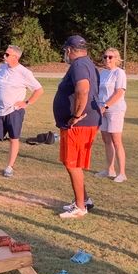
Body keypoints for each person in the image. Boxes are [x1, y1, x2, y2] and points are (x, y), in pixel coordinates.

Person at [0, 45, 44, 178]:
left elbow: (39, 90)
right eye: (5, 54)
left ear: (16, 57)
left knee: (13, 139)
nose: (4, 56)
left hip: (14, 112)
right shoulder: (1, 68)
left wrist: (26, 103)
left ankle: (9, 167)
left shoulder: (24, 73)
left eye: (7, 54)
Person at [53, 35, 101, 218]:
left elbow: (83, 88)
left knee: (73, 163)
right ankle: (84, 199)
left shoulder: (79, 65)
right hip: (83, 123)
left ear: (69, 50)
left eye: (66, 50)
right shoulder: (87, 63)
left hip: (80, 124)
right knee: (71, 163)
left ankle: (80, 207)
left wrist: (76, 115)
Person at [95, 48, 128, 182]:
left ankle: (122, 173)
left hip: (115, 109)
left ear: (116, 59)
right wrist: (99, 106)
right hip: (102, 110)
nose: (107, 59)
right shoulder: (102, 73)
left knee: (116, 140)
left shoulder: (119, 73)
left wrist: (106, 106)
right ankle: (110, 169)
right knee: (106, 140)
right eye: (105, 57)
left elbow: (119, 92)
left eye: (110, 57)